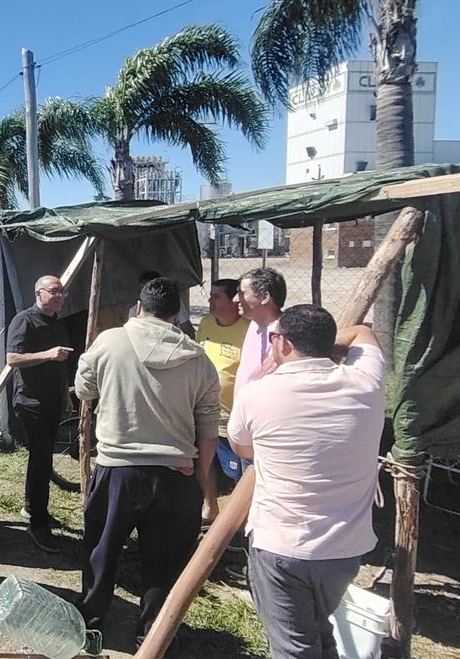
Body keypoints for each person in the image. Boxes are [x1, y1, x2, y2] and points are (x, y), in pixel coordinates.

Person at [228, 306, 387, 659]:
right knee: (317, 631)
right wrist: (327, 343)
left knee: (292, 649)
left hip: (281, 547)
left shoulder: (258, 394)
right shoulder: (367, 382)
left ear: (282, 343)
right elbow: (362, 333)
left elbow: (241, 446)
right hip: (345, 551)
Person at [74, 277, 220, 645]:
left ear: (138, 307)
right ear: (176, 314)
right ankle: (153, 636)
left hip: (119, 467)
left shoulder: (109, 341)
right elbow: (208, 426)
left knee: (102, 550)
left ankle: (90, 625)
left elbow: (83, 389)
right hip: (176, 471)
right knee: (165, 560)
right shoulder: (198, 357)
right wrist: (200, 477)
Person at [6, 274, 73, 553]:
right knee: (41, 459)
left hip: (52, 401)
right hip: (30, 403)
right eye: (54, 291)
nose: (59, 296)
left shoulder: (56, 323)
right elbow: (12, 359)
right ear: (38, 293)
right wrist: (47, 354)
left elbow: (59, 365)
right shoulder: (25, 320)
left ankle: (33, 508)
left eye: (62, 292)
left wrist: (65, 396)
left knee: (42, 460)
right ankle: (37, 524)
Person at [195, 278, 250, 523]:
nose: (210, 302)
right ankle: (210, 507)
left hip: (235, 416)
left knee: (239, 469)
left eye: (217, 297)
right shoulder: (206, 323)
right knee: (204, 464)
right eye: (211, 296)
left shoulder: (249, 329)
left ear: (233, 302)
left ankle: (239, 519)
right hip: (206, 410)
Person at [233, 267, 287, 395]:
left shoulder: (283, 335)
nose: (235, 299)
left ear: (264, 297)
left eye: (242, 293)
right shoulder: (254, 324)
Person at [129, 270, 195, 338]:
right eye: (144, 288)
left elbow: (187, 328)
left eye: (152, 288)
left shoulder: (173, 304)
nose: (148, 291)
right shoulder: (134, 310)